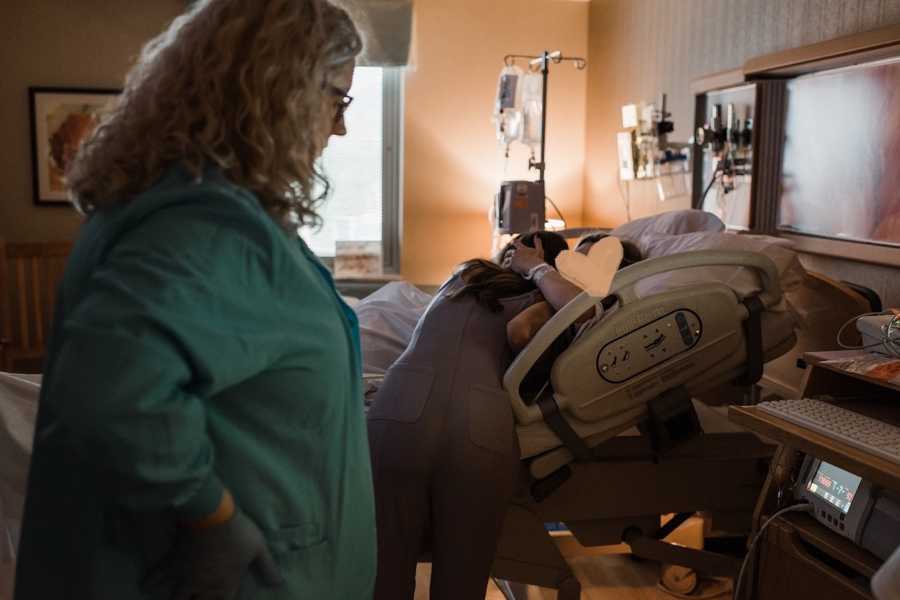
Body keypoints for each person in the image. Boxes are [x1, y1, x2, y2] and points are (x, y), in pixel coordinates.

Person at [15, 1, 375, 599]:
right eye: (339, 99)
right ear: (276, 89)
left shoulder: (173, 202)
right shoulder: (206, 225)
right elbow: (110, 390)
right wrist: (214, 519)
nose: (339, 127)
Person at [367, 232, 572, 600]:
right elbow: (531, 327)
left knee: (385, 576)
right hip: (476, 422)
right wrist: (538, 271)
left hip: (397, 406)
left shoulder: (463, 277)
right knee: (460, 582)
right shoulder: (541, 297)